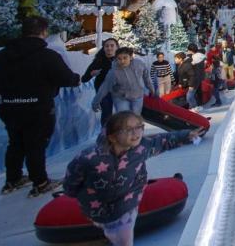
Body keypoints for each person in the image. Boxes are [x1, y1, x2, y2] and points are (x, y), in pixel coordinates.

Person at [63, 112, 204, 246]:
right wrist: (73, 193)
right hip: (97, 208)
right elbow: (72, 179)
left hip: (127, 201)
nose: (136, 133)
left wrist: (186, 135)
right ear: (112, 137)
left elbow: (162, 141)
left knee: (124, 237)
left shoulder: (141, 148)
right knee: (109, 228)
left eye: (139, 127)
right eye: (128, 129)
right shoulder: (89, 158)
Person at [0, 16, 81, 197]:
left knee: (15, 143)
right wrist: (76, 79)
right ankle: (40, 182)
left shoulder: (0, 56)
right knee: (35, 145)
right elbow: (66, 78)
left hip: (9, 108)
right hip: (38, 108)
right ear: (44, 32)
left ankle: (13, 179)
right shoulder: (48, 56)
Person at [92, 48, 152, 115]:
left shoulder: (139, 64)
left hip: (137, 96)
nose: (122, 61)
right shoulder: (113, 72)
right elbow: (105, 87)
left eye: (125, 58)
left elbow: (146, 77)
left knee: (135, 116)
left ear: (131, 57)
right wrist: (96, 101)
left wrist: (151, 88)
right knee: (124, 117)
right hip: (121, 97)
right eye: (119, 59)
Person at [82, 37, 118, 126]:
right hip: (103, 91)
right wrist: (92, 74)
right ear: (104, 48)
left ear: (117, 47)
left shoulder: (121, 59)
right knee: (107, 113)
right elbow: (84, 79)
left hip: (119, 91)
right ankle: (105, 135)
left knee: (120, 114)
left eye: (112, 45)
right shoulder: (98, 61)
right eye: (106, 46)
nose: (109, 48)